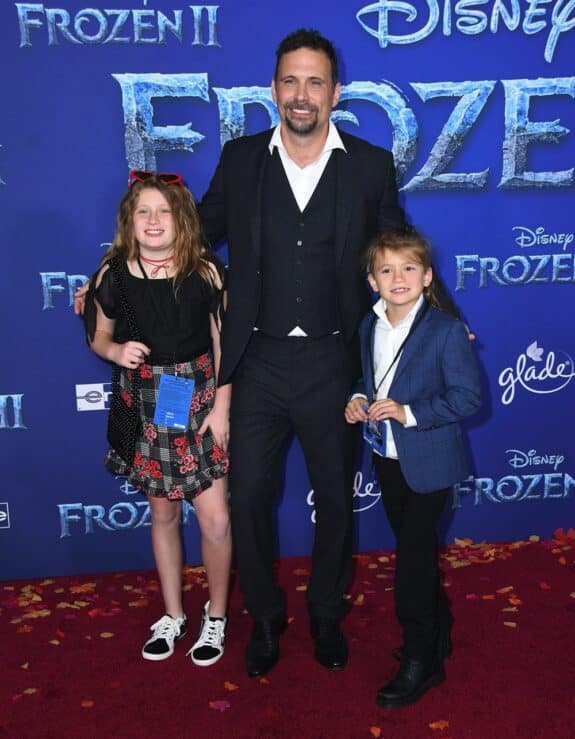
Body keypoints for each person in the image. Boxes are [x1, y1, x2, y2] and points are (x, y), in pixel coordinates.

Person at [197, 28, 405, 678]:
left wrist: (441, 323)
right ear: (273, 89)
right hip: (254, 363)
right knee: (250, 495)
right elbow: (193, 237)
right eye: (290, 80)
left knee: (336, 503)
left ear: (334, 92)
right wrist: (117, 280)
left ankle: (323, 613)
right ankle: (263, 617)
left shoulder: (369, 165)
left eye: (314, 81)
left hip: (333, 365)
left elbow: (399, 252)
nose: (301, 94)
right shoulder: (240, 159)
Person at [83, 171, 232, 667]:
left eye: (163, 211)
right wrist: (114, 350)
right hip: (145, 401)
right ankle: (173, 614)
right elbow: (98, 336)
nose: (153, 220)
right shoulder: (112, 274)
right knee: (163, 513)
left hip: (199, 399)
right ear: (129, 219)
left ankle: (216, 615)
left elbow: (223, 347)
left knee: (215, 519)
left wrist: (221, 410)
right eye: (143, 211)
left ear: (181, 219)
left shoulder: (206, 272)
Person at [344, 226, 481, 707]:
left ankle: (421, 660)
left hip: (432, 462)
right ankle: (439, 631)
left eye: (407, 268)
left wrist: (408, 412)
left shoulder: (445, 330)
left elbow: (468, 397)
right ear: (371, 280)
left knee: (413, 563)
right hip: (388, 458)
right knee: (414, 550)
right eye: (386, 270)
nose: (397, 277)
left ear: (426, 277)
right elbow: (369, 376)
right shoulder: (369, 325)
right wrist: (359, 398)